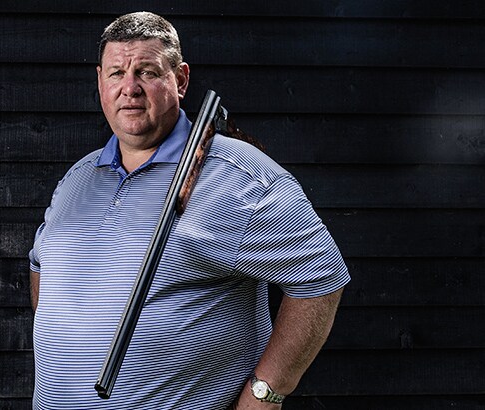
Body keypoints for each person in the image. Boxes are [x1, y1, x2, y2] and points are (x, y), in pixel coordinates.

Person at [29, 11, 350, 409]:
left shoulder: (240, 174)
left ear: (180, 80)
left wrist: (266, 392)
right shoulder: (78, 177)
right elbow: (41, 268)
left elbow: (322, 279)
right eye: (116, 73)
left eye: (146, 72)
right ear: (100, 81)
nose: (130, 89)